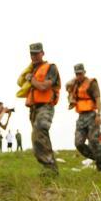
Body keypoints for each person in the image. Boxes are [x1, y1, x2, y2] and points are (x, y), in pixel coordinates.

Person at [25, 43, 61, 176]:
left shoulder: (51, 68)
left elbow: (43, 87)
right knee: (37, 138)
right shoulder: (31, 70)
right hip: (34, 108)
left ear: (42, 53)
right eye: (31, 54)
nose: (34, 56)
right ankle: (49, 168)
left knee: (40, 131)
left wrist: (31, 79)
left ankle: (50, 169)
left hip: (46, 106)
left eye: (36, 53)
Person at [67, 64, 101, 172]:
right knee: (78, 143)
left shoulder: (91, 83)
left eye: (80, 73)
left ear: (84, 72)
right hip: (81, 117)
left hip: (91, 115)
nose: (79, 75)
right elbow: (70, 94)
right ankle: (99, 159)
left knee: (94, 140)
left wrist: (99, 114)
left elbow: (98, 99)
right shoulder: (74, 85)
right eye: (77, 74)